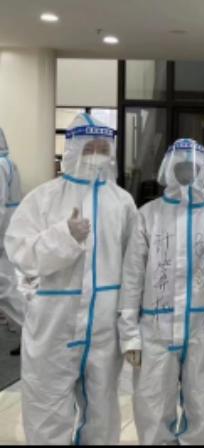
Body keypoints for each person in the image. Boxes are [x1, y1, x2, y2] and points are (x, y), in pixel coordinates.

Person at [4, 113, 138, 445]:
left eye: (103, 149)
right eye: (89, 148)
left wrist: (130, 325)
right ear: (73, 150)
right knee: (47, 408)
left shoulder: (121, 203)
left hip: (104, 327)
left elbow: (134, 265)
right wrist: (64, 236)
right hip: (54, 324)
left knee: (102, 410)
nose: (97, 155)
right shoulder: (43, 199)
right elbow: (20, 252)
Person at [117, 138, 204, 444]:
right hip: (155, 328)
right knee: (152, 404)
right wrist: (129, 333)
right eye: (180, 167)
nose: (186, 173)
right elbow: (132, 276)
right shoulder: (148, 214)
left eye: (192, 167)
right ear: (168, 170)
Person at [0, 128, 24, 330]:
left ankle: (28, 329)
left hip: (3, 232)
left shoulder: (0, 165)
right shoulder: (7, 162)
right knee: (9, 284)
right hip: (9, 230)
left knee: (6, 286)